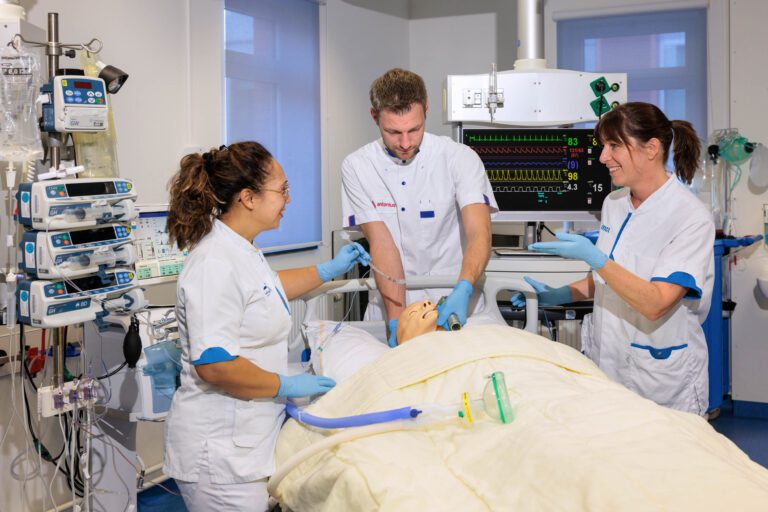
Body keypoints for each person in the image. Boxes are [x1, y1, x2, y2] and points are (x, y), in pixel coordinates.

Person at [162, 142, 371, 512]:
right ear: (248, 198)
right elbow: (215, 365)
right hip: (220, 454)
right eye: (282, 189)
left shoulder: (242, 248)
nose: (288, 199)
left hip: (249, 441)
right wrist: (286, 384)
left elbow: (265, 291)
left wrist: (325, 270)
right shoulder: (214, 263)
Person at [518, 102, 714, 416]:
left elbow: (656, 302)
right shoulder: (615, 203)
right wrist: (557, 296)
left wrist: (596, 259)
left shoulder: (690, 218)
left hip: (658, 378)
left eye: (613, 146)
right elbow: (610, 280)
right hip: (606, 364)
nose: (602, 157)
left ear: (651, 148)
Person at [341, 68, 498, 346]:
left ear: (426, 110)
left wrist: (464, 288)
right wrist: (398, 322)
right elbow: (381, 243)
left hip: (456, 299)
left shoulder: (458, 157)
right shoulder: (358, 166)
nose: (405, 142)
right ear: (374, 116)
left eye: (414, 129)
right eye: (393, 132)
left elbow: (479, 232)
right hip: (392, 303)